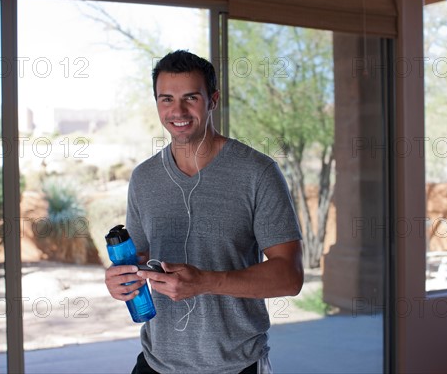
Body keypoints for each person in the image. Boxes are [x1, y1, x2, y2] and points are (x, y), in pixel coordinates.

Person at [104, 50, 303, 374]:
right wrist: (120, 281)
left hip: (235, 365)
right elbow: (138, 260)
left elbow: (290, 277)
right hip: (156, 363)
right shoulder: (143, 178)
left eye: (190, 97)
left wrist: (206, 281)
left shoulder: (258, 172)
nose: (177, 110)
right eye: (166, 99)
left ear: (212, 100)